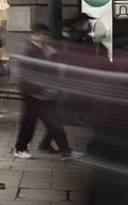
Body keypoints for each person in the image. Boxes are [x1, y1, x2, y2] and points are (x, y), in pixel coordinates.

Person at [13, 23, 80, 161]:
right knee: (30, 122)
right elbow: (27, 73)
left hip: (43, 92)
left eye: (47, 35)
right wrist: (38, 89)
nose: (46, 38)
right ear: (37, 35)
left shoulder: (45, 50)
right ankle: (21, 148)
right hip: (34, 93)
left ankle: (64, 150)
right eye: (44, 35)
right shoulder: (30, 50)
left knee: (50, 121)